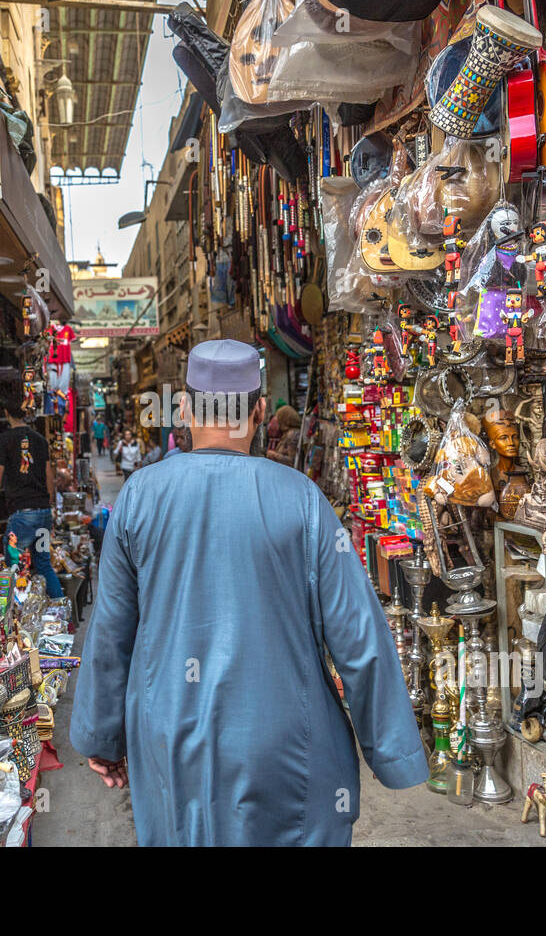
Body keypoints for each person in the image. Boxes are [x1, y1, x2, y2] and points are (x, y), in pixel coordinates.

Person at [71, 339, 426, 846]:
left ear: (187, 408)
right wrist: (393, 752)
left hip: (171, 740)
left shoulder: (139, 498)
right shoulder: (302, 498)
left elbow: (109, 635)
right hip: (284, 743)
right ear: (260, 410)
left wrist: (102, 736)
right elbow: (360, 638)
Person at [0, 399, 64, 599]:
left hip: (23, 515)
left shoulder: (4, 439)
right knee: (43, 565)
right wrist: (49, 506)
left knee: (14, 565)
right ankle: (61, 609)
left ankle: (15, 618)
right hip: (42, 513)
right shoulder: (40, 440)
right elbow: (49, 475)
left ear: (6, 413)